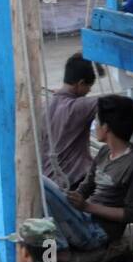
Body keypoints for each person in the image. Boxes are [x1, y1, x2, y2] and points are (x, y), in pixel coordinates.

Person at [43, 94, 133, 255]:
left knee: (41, 184)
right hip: (83, 218)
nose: (95, 126)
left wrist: (87, 206)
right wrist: (72, 199)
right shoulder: (104, 151)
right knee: (43, 189)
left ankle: (60, 250)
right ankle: (53, 248)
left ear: (106, 128)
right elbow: (86, 187)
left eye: (97, 122)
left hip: (98, 233)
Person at [41, 53, 98, 190]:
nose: (89, 91)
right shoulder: (78, 107)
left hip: (47, 182)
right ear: (80, 83)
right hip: (73, 181)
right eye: (88, 87)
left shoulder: (44, 105)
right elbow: (114, 102)